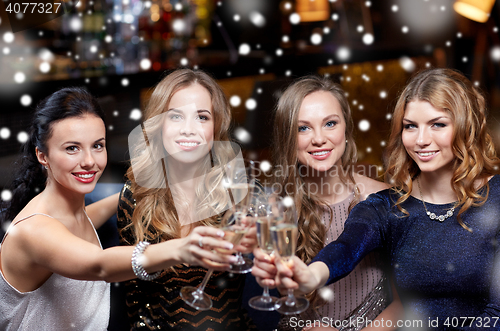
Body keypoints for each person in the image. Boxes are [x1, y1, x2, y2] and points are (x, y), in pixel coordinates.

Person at [254, 68, 500, 330]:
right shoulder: (386, 206)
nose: (421, 140)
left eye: (437, 124)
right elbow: (347, 248)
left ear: (466, 126)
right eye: (410, 126)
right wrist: (311, 275)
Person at [0, 87, 236, 331]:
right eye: (72, 148)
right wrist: (182, 248)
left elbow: (83, 220)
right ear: (43, 155)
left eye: (97, 146)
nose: (89, 161)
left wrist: (146, 187)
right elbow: (99, 264)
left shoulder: (68, 214)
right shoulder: (33, 230)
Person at [254, 75, 403, 330]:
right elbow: (284, 293)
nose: (319, 138)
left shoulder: (385, 201)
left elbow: (406, 304)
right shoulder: (273, 206)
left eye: (330, 123)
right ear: (288, 138)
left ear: (346, 128)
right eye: (303, 128)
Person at [117, 68, 259, 330]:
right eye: (176, 116)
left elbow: (267, 267)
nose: (189, 130)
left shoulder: (238, 191)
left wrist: (258, 247)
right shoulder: (135, 197)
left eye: (202, 117)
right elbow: (133, 300)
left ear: (216, 127)